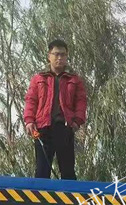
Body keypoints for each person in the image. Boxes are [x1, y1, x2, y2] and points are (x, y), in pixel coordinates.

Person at [23, 39, 87, 180]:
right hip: (42, 129)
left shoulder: (74, 79)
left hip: (65, 128)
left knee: (68, 171)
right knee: (41, 171)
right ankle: (40, 195)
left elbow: (81, 101)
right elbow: (31, 100)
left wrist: (77, 121)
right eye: (56, 54)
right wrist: (29, 120)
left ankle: (70, 195)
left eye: (63, 55)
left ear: (67, 56)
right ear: (49, 56)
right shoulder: (38, 78)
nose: (59, 58)